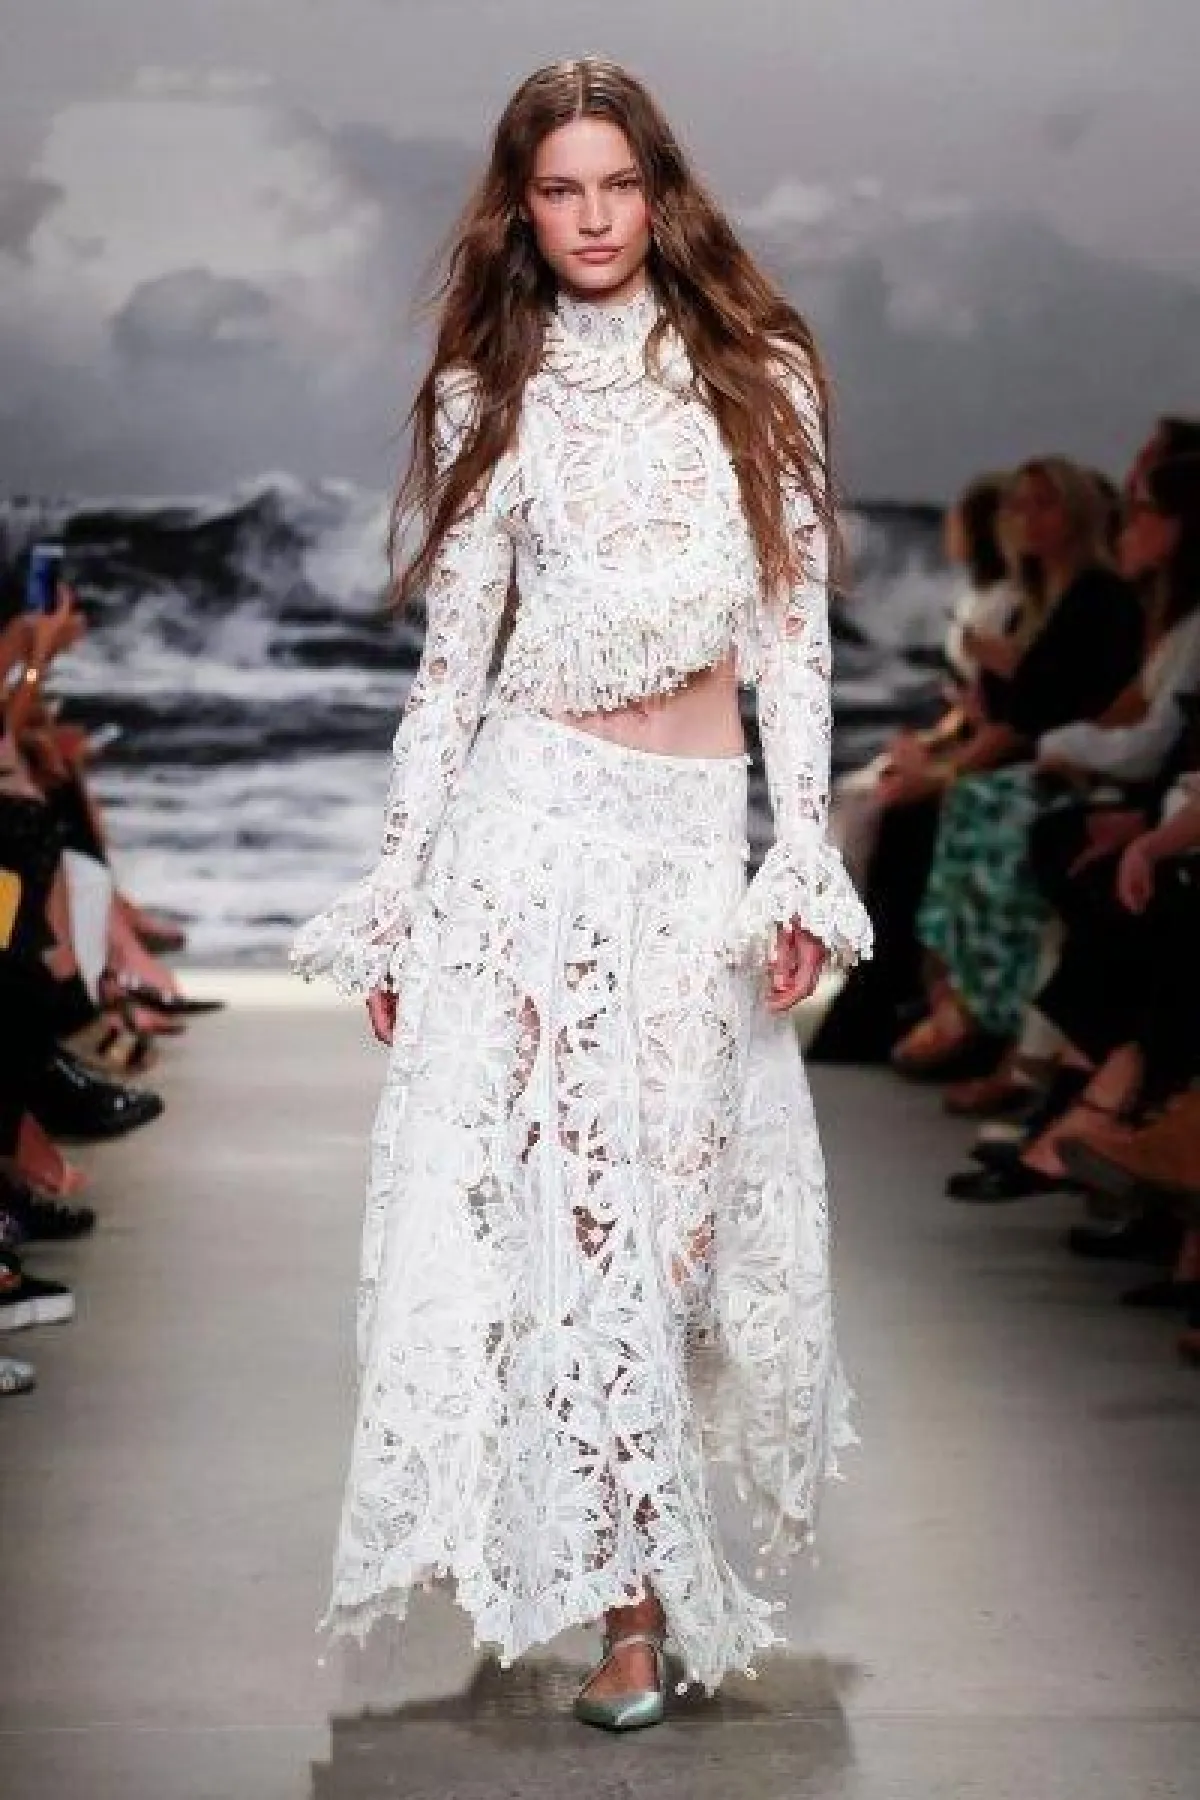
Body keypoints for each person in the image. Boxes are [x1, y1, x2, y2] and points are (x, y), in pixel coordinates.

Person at [290, 58, 871, 1729]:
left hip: (685, 846)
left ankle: (616, 1558)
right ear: (523, 208)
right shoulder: (494, 389)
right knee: (572, 1221)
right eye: (562, 190)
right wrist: (399, 893)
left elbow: (792, 640)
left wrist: (800, 855)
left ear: (661, 192)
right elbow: (450, 669)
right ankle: (628, 1616)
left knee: (673, 1235)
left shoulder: (756, 375)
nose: (595, 217)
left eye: (618, 185)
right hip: (526, 827)